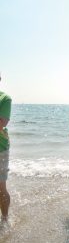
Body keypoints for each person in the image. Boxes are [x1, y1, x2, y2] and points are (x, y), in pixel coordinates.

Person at [0, 74, 12, 222]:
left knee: (1, 188)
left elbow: (1, 123)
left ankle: (5, 220)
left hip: (0, 148)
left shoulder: (5, 99)